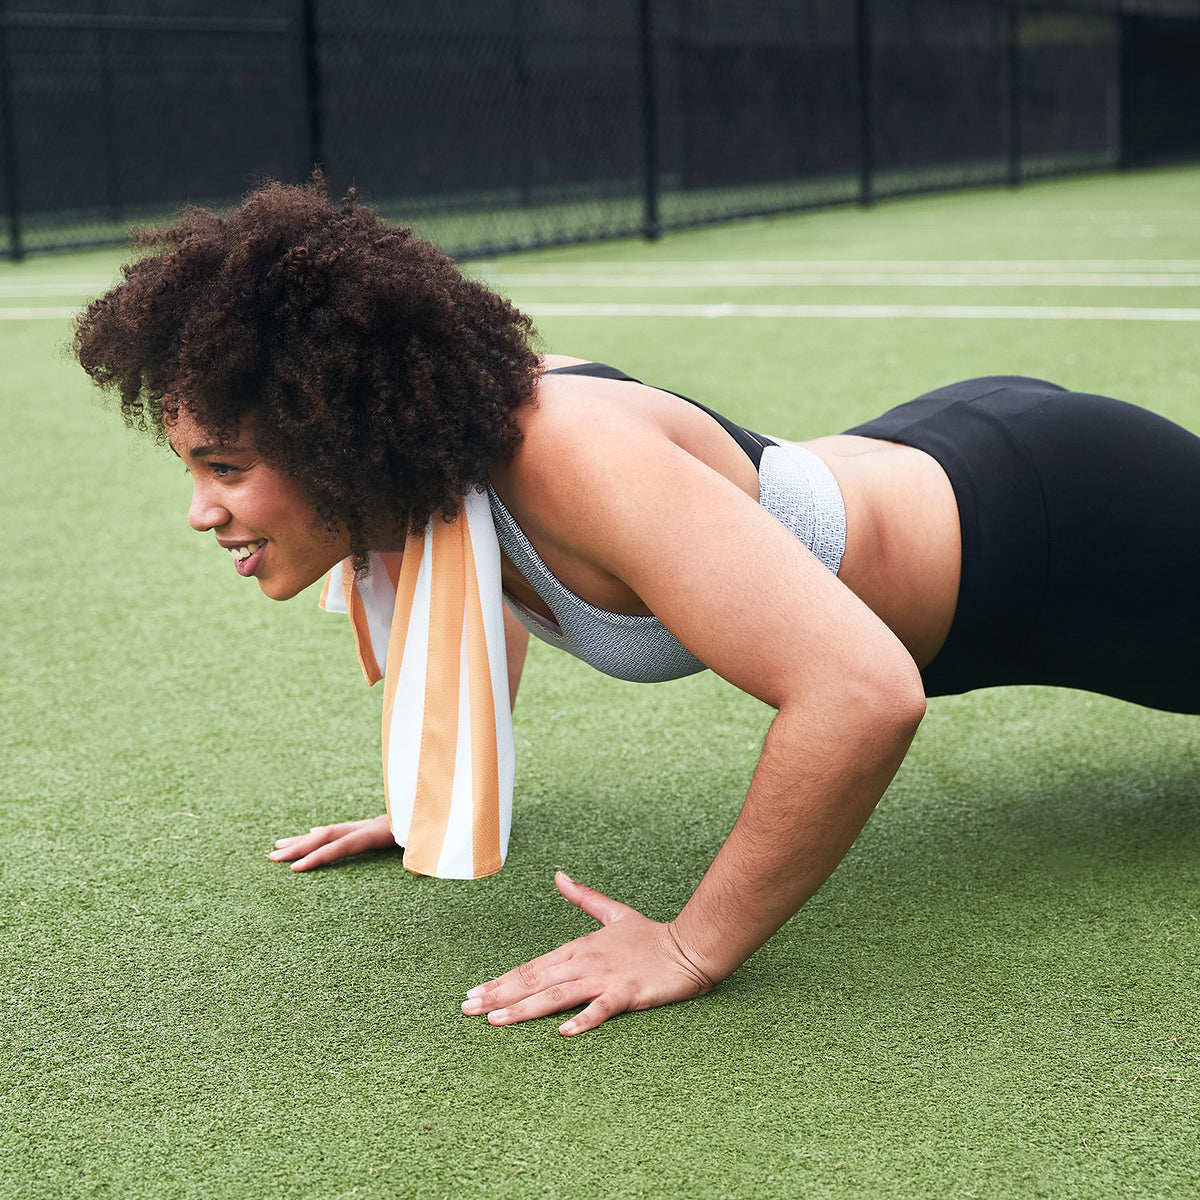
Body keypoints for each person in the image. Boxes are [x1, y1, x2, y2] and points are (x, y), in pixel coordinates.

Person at [74, 178, 1200, 1037]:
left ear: (331, 435)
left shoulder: (569, 457)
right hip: (933, 464)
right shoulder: (420, 470)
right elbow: (483, 605)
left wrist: (691, 946)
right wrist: (437, 790)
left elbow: (862, 695)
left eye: (225, 467)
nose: (201, 511)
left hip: (1060, 528)